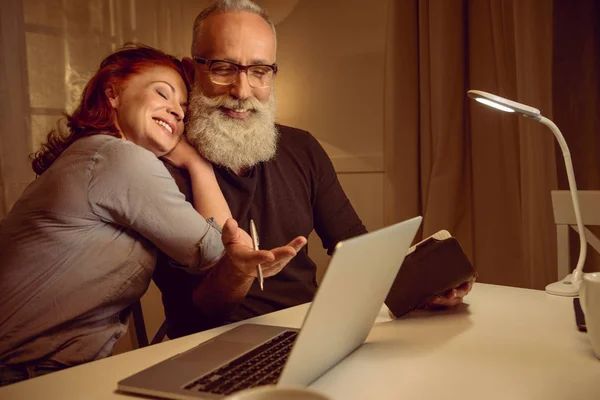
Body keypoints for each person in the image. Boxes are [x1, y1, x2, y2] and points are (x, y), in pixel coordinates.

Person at [153, 0, 473, 338]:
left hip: (307, 335)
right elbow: (193, 319)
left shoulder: (301, 148)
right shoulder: (159, 172)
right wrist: (236, 273)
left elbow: (355, 250)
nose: (242, 90)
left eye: (259, 71)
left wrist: (423, 287)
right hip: (210, 348)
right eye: (223, 67)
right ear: (190, 72)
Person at [0, 44, 298, 387]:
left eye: (183, 108)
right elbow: (217, 254)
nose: (177, 113)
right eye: (163, 94)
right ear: (113, 93)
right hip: (22, 378)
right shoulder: (118, 159)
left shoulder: (90, 155)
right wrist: (197, 164)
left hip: (48, 372)